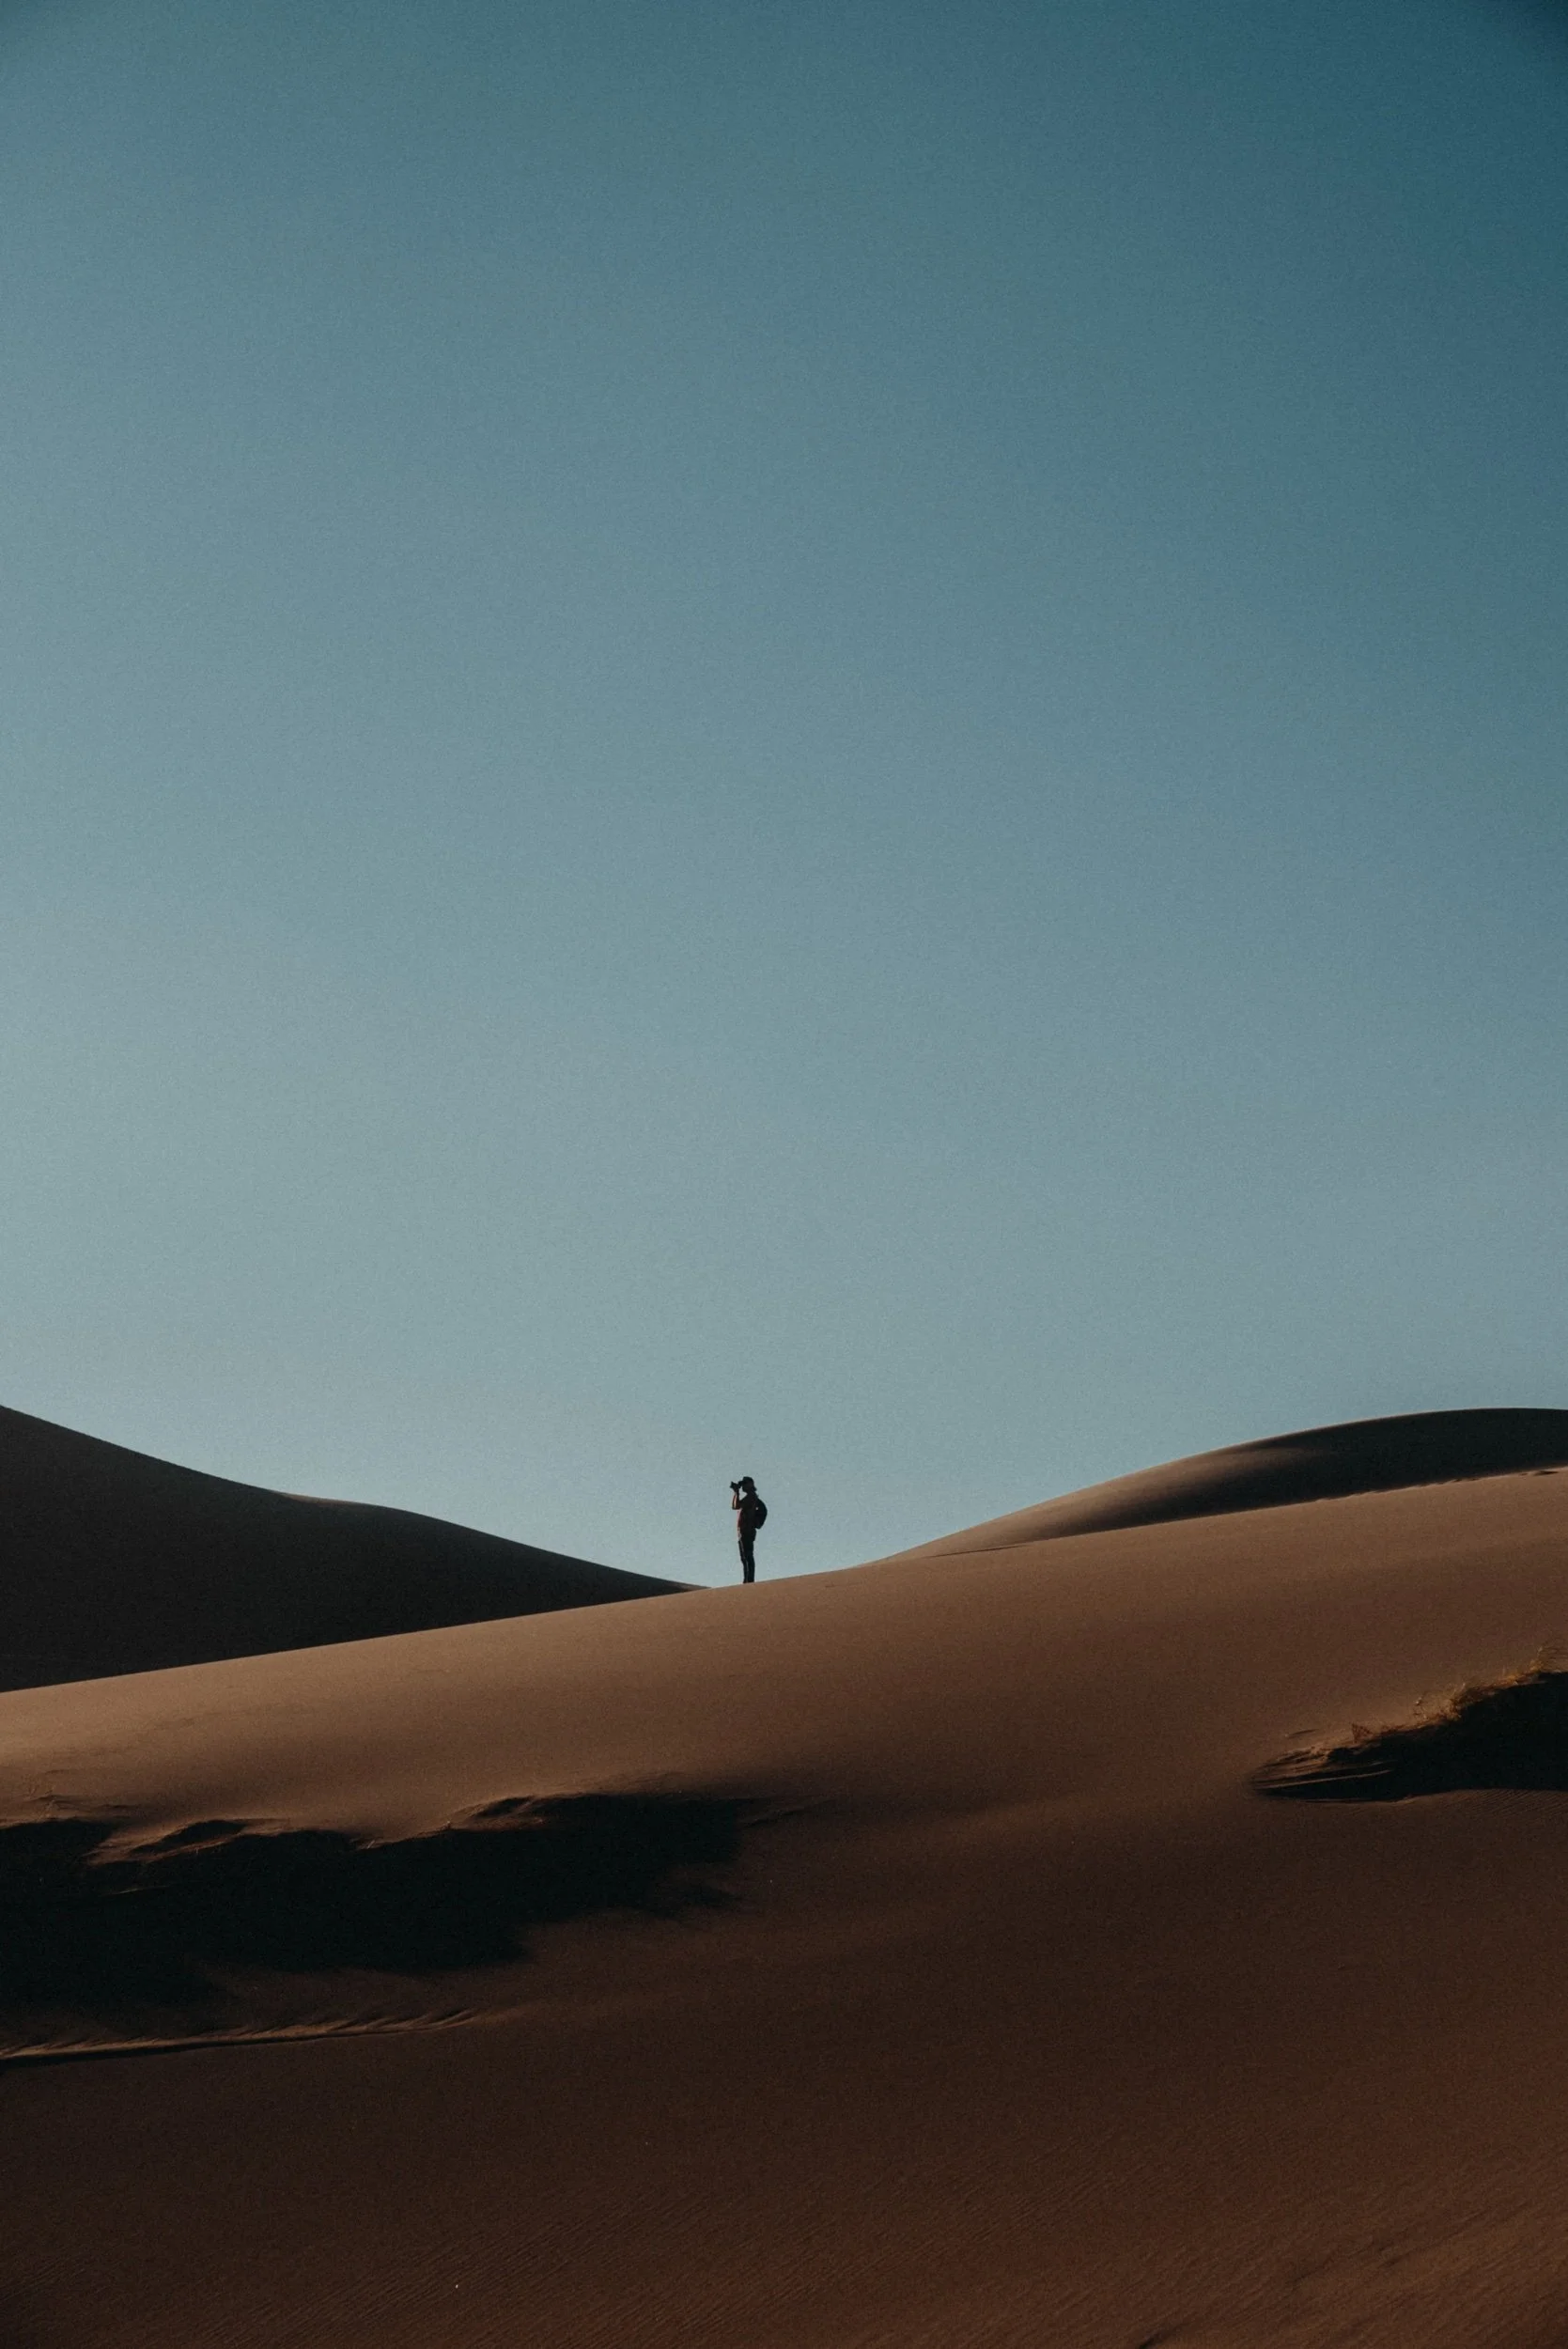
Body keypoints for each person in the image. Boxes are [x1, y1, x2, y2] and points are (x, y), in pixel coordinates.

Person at [730, 1476, 767, 1583]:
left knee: (747, 1556)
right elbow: (735, 1506)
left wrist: (736, 1492)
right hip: (743, 1530)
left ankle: (749, 1580)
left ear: (750, 1485)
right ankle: (747, 1579)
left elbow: (736, 1506)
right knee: (745, 1557)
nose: (743, 1486)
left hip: (747, 1530)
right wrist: (736, 1492)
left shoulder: (751, 1497)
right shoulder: (751, 1497)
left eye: (745, 1483)